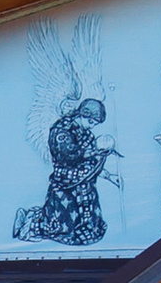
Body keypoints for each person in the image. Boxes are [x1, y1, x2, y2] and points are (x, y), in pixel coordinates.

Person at [13, 96, 117, 244]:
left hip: (84, 185)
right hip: (65, 183)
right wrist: (91, 152)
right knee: (60, 225)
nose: (92, 126)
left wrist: (109, 175)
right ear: (83, 114)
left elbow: (91, 164)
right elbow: (66, 156)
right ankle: (28, 224)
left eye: (95, 124)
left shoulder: (87, 134)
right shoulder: (61, 130)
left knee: (90, 225)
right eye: (91, 122)